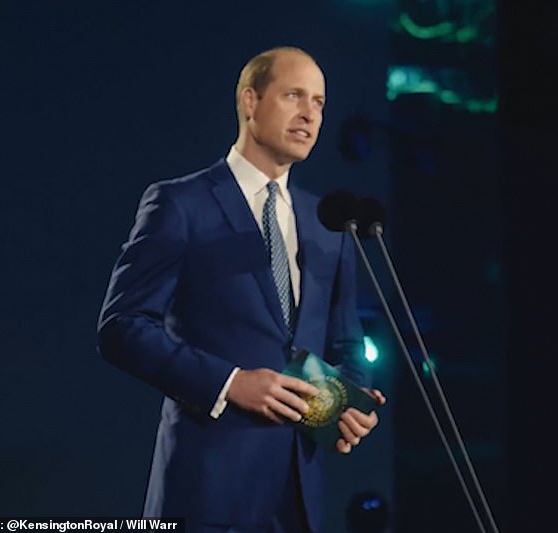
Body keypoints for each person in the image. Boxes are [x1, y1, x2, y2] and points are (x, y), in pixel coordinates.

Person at [97, 46, 385, 533]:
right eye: (294, 95)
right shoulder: (181, 204)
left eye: (319, 102)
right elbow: (121, 327)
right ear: (250, 101)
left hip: (298, 495)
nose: (309, 114)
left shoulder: (329, 226)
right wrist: (230, 383)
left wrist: (349, 403)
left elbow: (346, 343)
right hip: (208, 486)